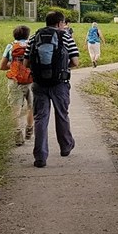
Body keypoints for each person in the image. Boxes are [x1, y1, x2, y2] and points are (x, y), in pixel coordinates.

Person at [25, 11, 80, 168]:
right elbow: (75, 61)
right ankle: (65, 146)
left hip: (39, 83)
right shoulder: (66, 37)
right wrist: (61, 68)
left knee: (40, 118)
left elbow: (26, 64)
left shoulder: (34, 38)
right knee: (62, 115)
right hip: (60, 84)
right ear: (59, 23)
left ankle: (40, 156)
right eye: (63, 23)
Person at [0, 25, 34, 145]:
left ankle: (18, 136)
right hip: (31, 80)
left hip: (15, 81)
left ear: (14, 35)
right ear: (28, 35)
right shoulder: (32, 46)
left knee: (15, 110)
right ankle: (29, 130)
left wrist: (13, 64)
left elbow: (2, 66)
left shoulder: (10, 47)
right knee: (31, 107)